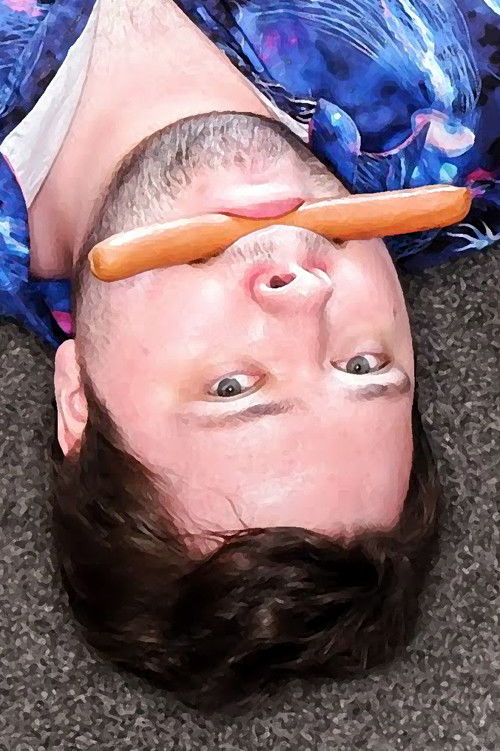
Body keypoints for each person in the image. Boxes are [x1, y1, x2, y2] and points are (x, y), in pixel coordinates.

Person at [0, 0, 497, 710]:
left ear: (79, 400)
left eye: (232, 387)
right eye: (362, 366)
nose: (304, 296)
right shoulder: (455, 104)